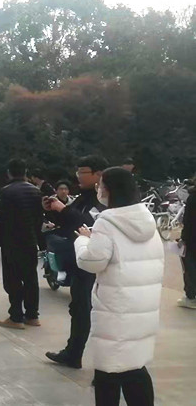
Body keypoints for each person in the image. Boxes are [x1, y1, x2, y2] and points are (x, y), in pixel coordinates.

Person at [75, 167, 164, 406]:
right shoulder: (147, 221)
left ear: (110, 190)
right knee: (134, 366)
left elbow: (92, 262)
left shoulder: (107, 222)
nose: (99, 190)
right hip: (142, 307)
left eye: (101, 185)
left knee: (108, 370)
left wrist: (82, 241)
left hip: (115, 307)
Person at [43, 155, 108, 369]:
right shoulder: (83, 198)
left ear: (99, 174)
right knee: (79, 309)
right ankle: (73, 353)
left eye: (83, 172)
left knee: (96, 314)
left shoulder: (103, 199)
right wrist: (53, 210)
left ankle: (104, 368)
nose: (78, 176)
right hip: (81, 262)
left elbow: (90, 225)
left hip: (97, 265)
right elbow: (69, 225)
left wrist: (63, 209)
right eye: (77, 171)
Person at [0, 159, 44, 329]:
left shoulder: (6, 192)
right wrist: (39, 241)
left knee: (13, 280)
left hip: (12, 242)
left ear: (9, 173)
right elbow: (39, 219)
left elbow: (1, 219)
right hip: (30, 242)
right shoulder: (35, 192)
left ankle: (16, 317)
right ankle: (32, 315)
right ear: (25, 172)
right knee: (31, 279)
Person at [178, 177, 196, 309]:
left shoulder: (193, 198)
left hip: (192, 239)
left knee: (190, 266)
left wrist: (183, 238)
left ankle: (191, 297)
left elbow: (188, 221)